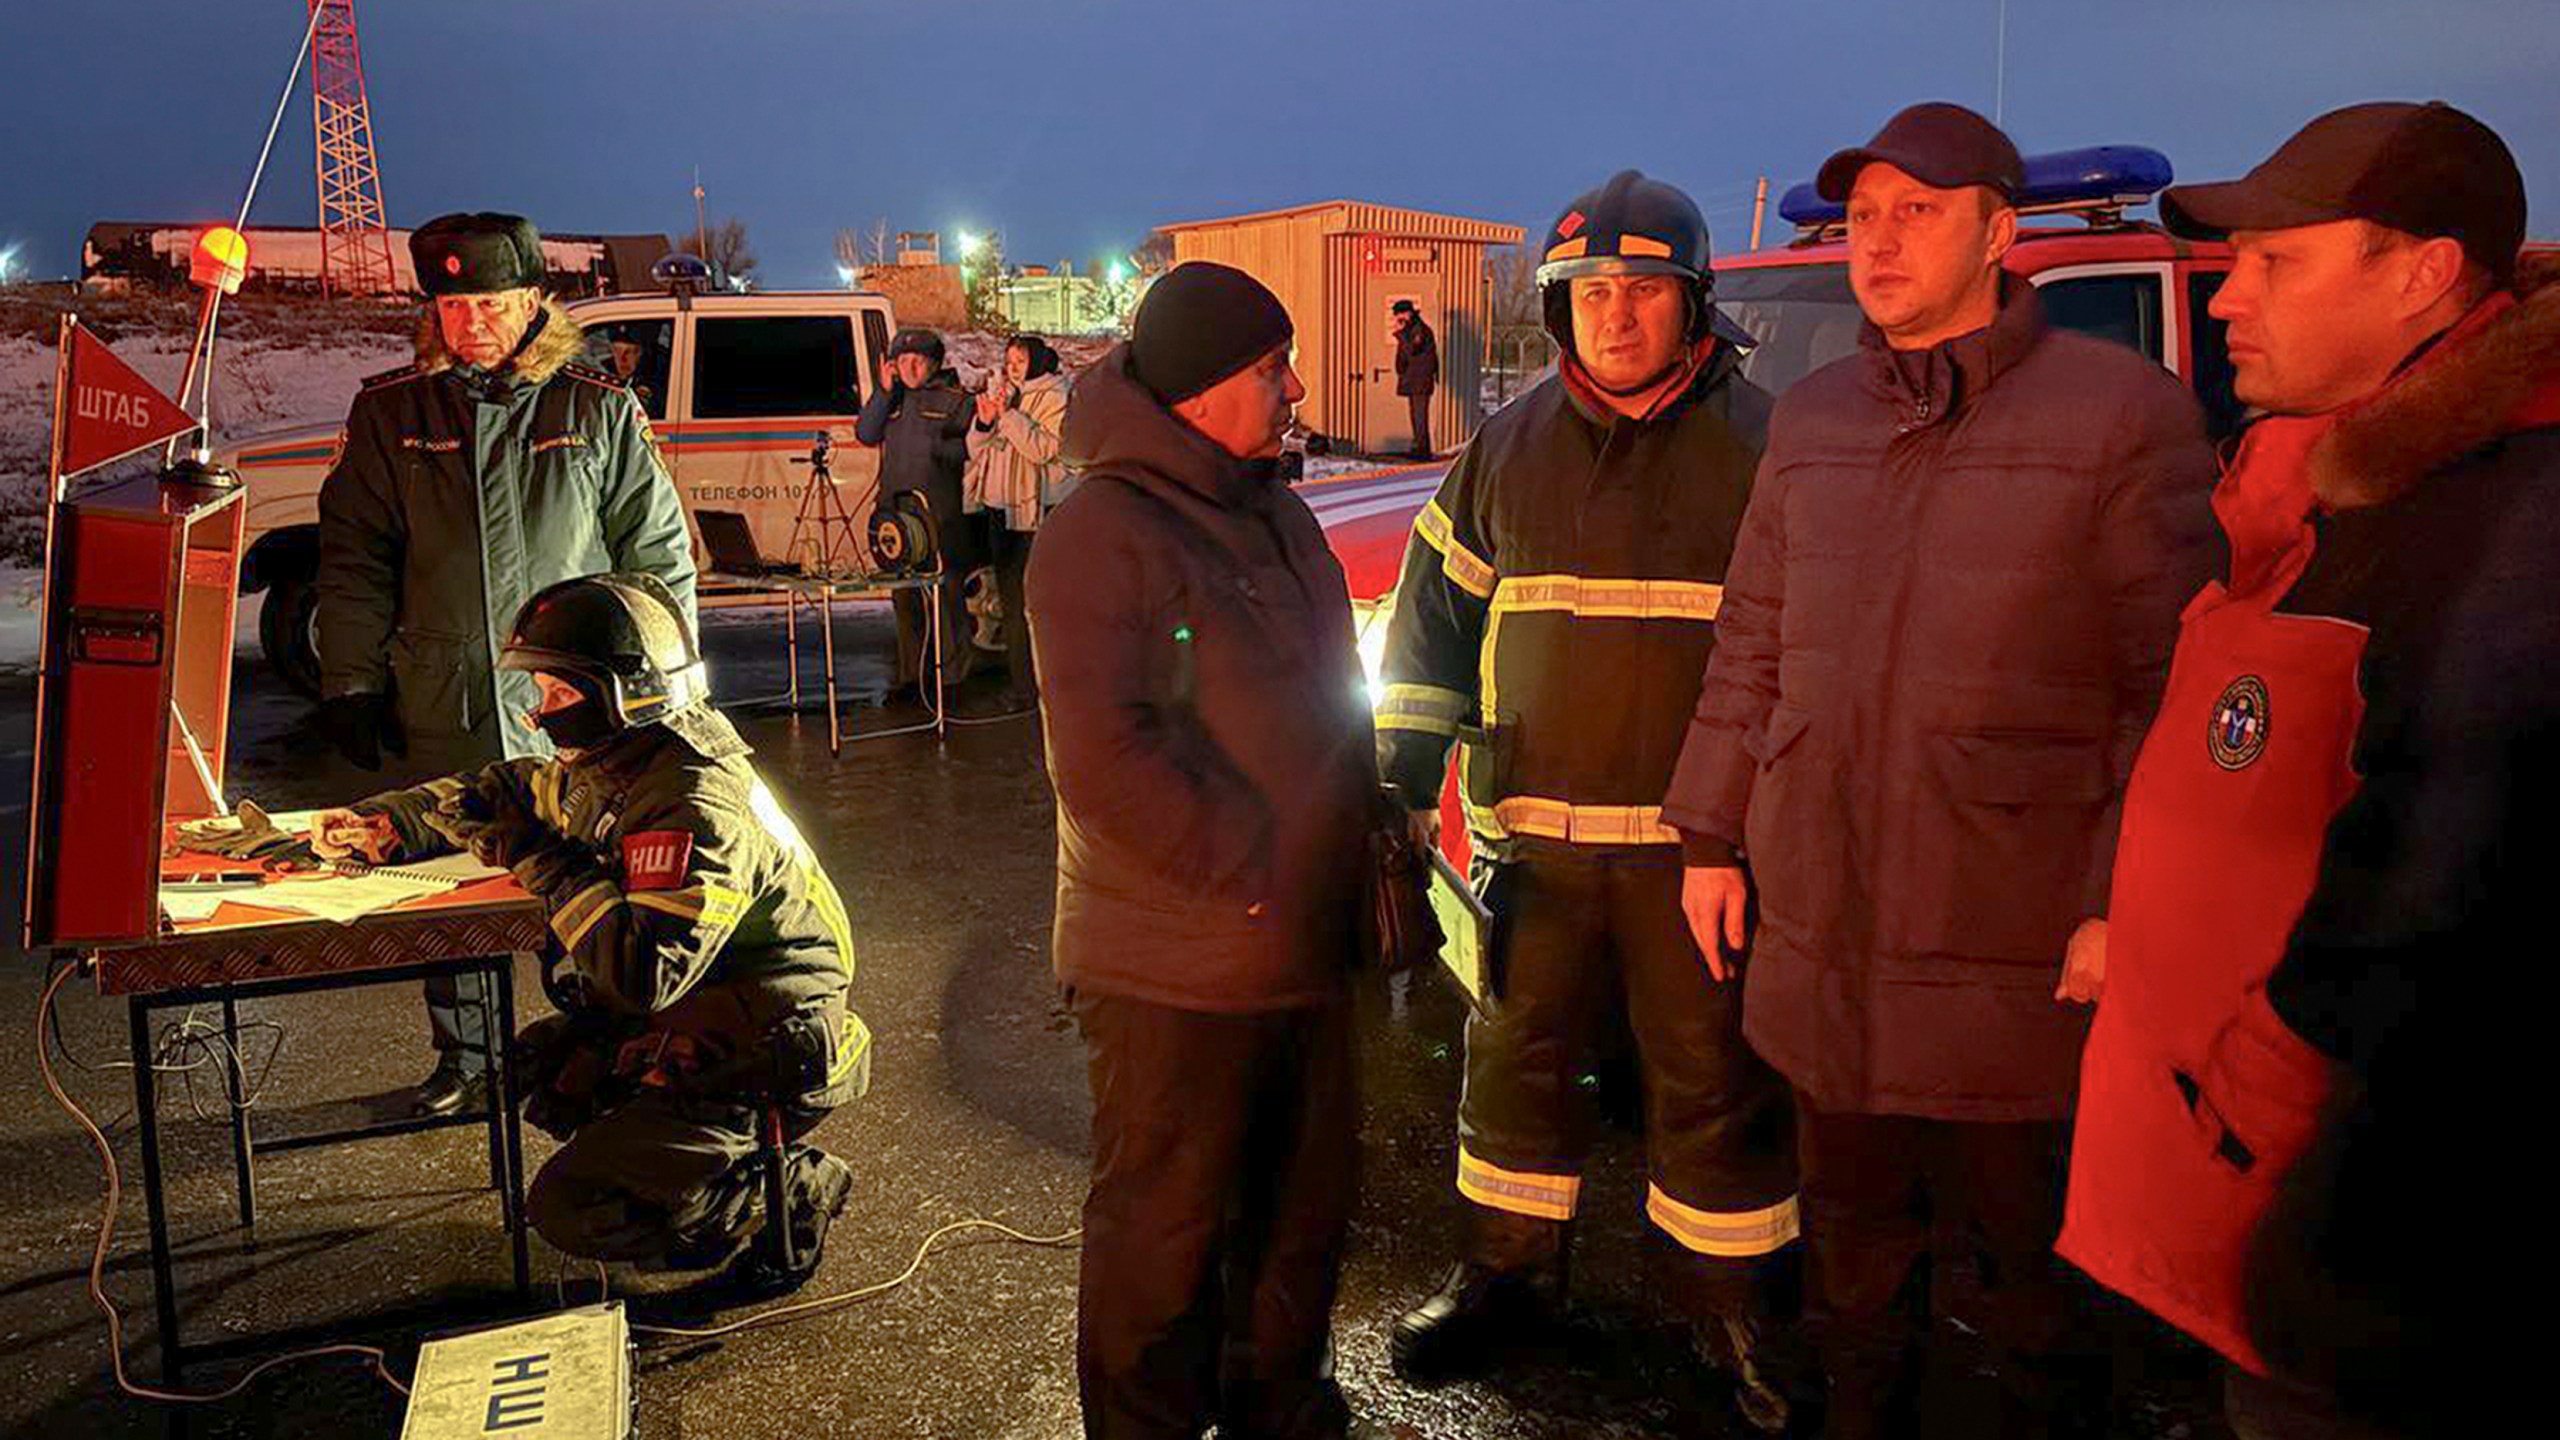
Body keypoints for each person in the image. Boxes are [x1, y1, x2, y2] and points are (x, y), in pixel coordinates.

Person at [1661, 103, 2219, 1437]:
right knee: (1850, 1264)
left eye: (1918, 212)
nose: (1880, 242)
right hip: (1825, 913)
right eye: (1864, 217)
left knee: (2024, 1282)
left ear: (1997, 232)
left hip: (2011, 935)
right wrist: (1708, 835)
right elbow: (1754, 637)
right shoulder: (1815, 417)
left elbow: (2172, 688)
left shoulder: (2122, 416)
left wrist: (2116, 901)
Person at [2056, 101, 2555, 1440]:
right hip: (2254, 1190)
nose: (2228, 303)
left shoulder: (2504, 528)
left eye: (2280, 264)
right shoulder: (2328, 494)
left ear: (2425, 270)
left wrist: (2266, 1100)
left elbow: (2437, 891)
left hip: (2364, 1250)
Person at [1374, 171, 1801, 1432]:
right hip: (1536, 854)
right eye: (1592, 293)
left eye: (1644, 292)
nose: (1617, 317)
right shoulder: (1504, 449)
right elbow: (1429, 636)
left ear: (1693, 305)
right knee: (1511, 1071)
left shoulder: (1767, 453)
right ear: (1561, 309)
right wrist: (1400, 790)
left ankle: (1734, 1319)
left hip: (1698, 864)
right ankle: (1505, 1281)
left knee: (1715, 1088)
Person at [1028, 262, 1388, 1440]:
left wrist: (1364, 823)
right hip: (1176, 961)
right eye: (1268, 366)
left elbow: (1326, 697)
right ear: (1194, 391)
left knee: (1297, 1215)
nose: (1293, 386)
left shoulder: (1276, 510)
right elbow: (1105, 762)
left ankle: (1284, 1410)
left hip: (1298, 941)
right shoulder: (1100, 532)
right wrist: (1262, 865)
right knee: (1165, 1236)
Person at [309, 573, 869, 1292]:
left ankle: (778, 1197)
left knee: (568, 1209)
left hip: (766, 1038)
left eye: (559, 695)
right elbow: (508, 788)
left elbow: (642, 976)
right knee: (547, 1073)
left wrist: (542, 858)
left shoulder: (691, 806)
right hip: (716, 1002)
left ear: (623, 695)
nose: (541, 716)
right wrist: (390, 823)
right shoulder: (621, 764)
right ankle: (678, 1150)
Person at [316, 211, 697, 1119]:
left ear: (532, 301)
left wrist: (668, 691)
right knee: (451, 888)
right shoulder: (390, 417)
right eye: (452, 303)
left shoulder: (593, 410)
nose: (471, 320)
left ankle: (606, 1052)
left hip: (577, 710)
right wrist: (352, 682)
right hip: (443, 698)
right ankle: (468, 1059)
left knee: (595, 883)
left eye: (489, 300)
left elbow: (657, 560)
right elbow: (355, 559)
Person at [856, 326, 978, 693]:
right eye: (902, 361)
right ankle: (911, 677)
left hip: (938, 514)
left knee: (944, 596)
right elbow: (865, 433)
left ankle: (952, 678)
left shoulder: (955, 399)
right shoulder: (890, 399)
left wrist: (944, 452)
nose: (909, 369)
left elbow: (973, 448)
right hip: (896, 514)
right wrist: (883, 392)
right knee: (905, 599)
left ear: (934, 363)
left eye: (917, 361)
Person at [965, 333, 1072, 710]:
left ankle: (1048, 688)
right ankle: (1022, 684)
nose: (1011, 366)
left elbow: (1043, 449)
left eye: (1020, 360)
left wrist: (1009, 415)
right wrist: (984, 422)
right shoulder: (1002, 392)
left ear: (1038, 362)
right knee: (1010, 602)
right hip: (1000, 507)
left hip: (1035, 512)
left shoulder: (1055, 395)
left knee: (1038, 605)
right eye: (1008, 358)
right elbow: (976, 449)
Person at [1392, 299, 1439, 460]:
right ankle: (1419, 447)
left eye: (1399, 314)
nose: (1397, 318)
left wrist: (1400, 333)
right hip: (1414, 379)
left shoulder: (1419, 330)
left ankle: (1423, 450)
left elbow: (1413, 350)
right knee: (1415, 415)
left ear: (1408, 313)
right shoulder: (1412, 329)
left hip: (1420, 380)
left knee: (1420, 416)